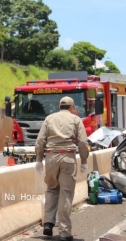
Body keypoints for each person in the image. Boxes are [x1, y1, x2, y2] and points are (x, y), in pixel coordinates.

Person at [34, 96, 89, 241]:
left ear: (59, 106)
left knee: (52, 189)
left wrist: (39, 160)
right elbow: (83, 141)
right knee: (66, 193)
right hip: (68, 157)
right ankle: (64, 232)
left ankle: (48, 223)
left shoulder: (49, 118)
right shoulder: (76, 119)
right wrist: (84, 161)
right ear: (72, 107)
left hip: (51, 157)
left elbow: (40, 141)